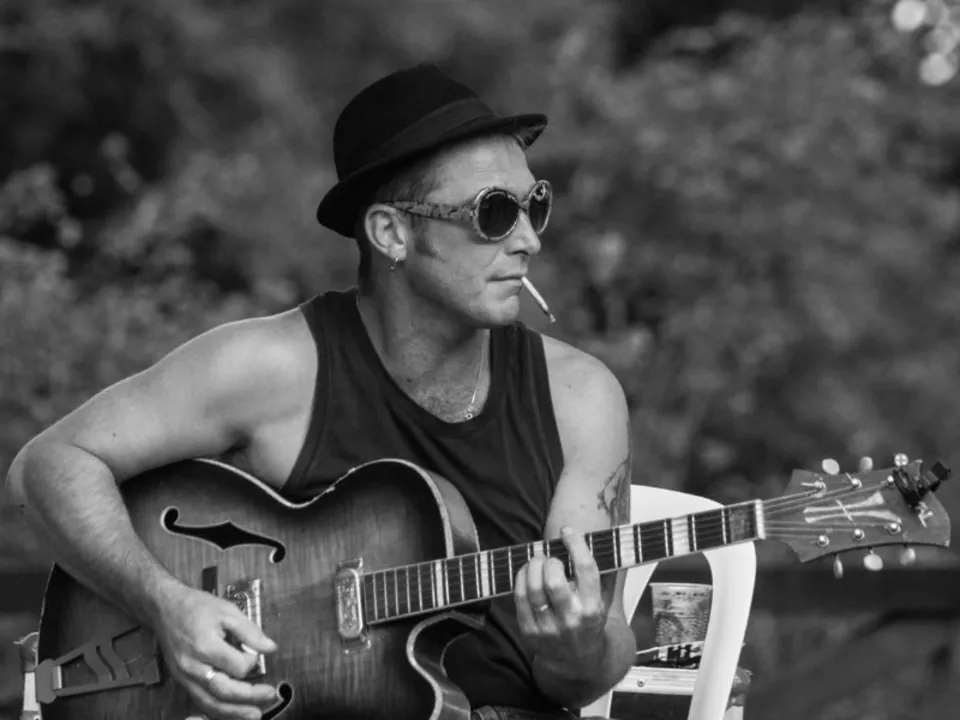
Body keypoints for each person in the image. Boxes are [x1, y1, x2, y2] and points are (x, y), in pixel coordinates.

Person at [2, 63, 637, 720]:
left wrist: (578, 646)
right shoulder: (274, 366)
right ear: (391, 233)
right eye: (494, 213)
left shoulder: (579, 397)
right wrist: (165, 604)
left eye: (535, 205)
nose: (529, 240)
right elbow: (47, 466)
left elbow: (587, 673)